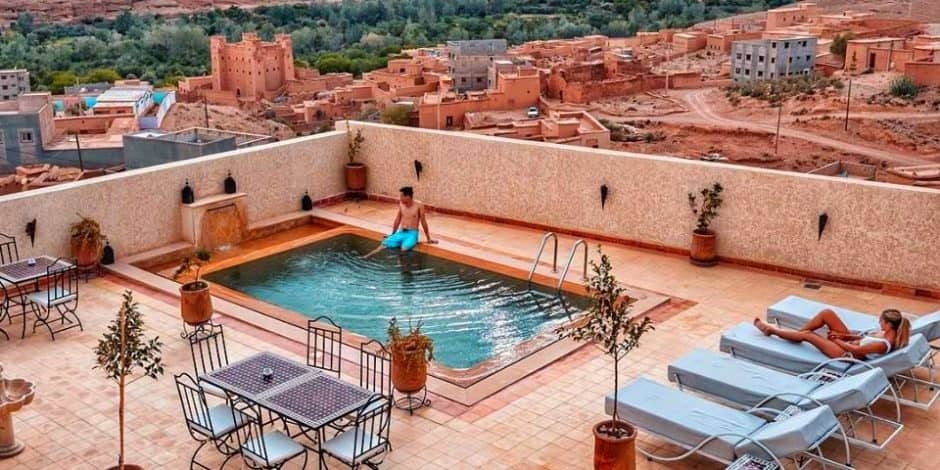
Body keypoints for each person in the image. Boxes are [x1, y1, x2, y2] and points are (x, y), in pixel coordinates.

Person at [753, 308, 910, 360]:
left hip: (844, 353)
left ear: (888, 325)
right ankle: (797, 335)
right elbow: (863, 339)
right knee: (827, 313)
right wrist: (845, 336)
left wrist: (837, 341)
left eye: (881, 321)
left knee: (809, 335)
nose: (879, 323)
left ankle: (772, 330)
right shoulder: (889, 334)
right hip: (848, 344)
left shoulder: (883, 344)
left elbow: (856, 351)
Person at [364, 186, 436, 258]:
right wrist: (392, 234)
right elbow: (397, 219)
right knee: (384, 243)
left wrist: (428, 238)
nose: (400, 198)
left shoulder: (419, 206)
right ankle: (367, 256)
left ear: (407, 196)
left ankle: (400, 263)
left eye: (401, 196)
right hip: (401, 232)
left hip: (412, 234)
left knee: (404, 248)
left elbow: (423, 222)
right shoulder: (401, 204)